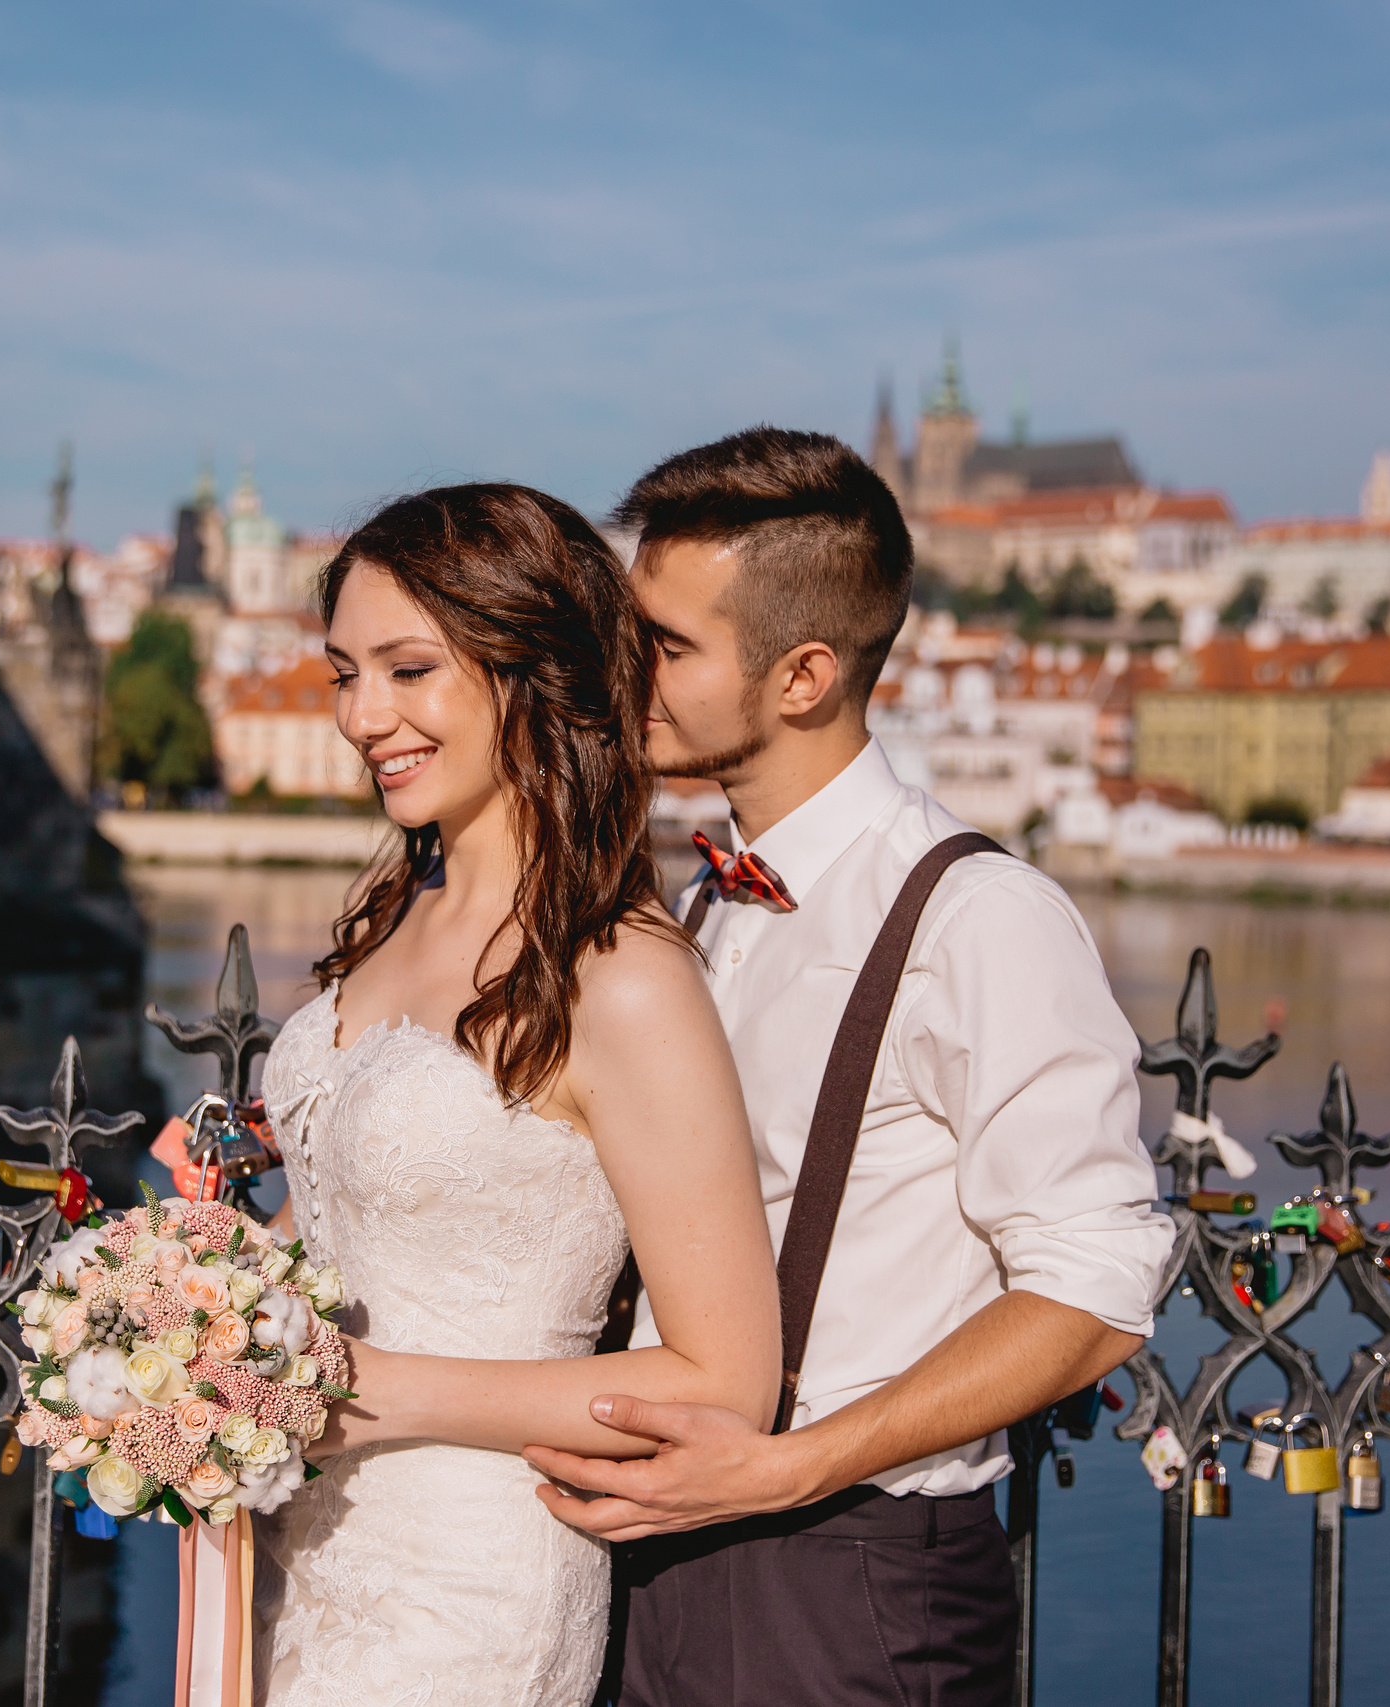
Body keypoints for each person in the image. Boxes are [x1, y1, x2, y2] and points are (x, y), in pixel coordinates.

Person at [521, 428, 1176, 1705]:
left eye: (666, 645)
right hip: (652, 1551)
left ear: (803, 675)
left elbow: (1096, 1285)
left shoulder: (974, 915)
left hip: (846, 1573)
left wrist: (795, 1465)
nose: (624, 673)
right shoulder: (695, 906)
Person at [249, 484, 782, 1707]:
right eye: (344, 674)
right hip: (302, 1545)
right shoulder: (397, 914)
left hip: (469, 1584)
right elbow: (373, 1222)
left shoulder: (622, 973)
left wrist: (372, 1392)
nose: (361, 715)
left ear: (527, 669)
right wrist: (201, 1316)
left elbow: (722, 1382)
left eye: (406, 669)